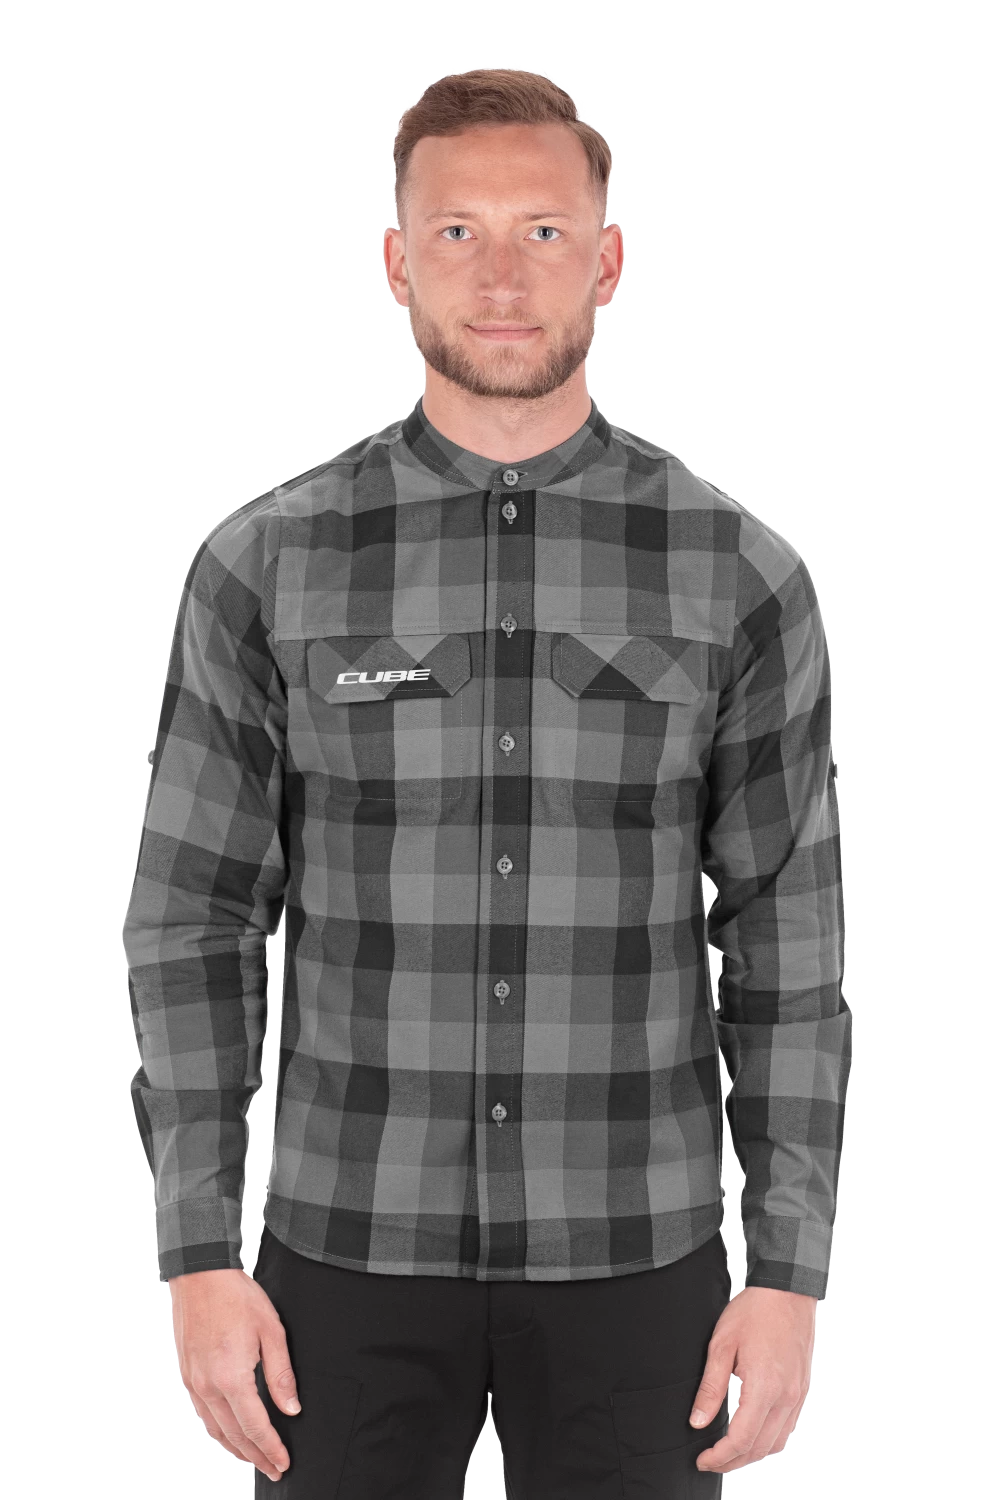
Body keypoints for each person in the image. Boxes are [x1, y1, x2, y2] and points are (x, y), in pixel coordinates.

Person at [122, 67, 851, 1498]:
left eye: (544, 232)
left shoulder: (739, 575)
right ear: (397, 262)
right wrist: (197, 1250)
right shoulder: (267, 565)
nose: (502, 277)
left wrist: (790, 1269)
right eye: (458, 233)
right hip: (342, 1256)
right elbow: (194, 920)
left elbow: (789, 941)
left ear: (609, 259)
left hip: (640, 1264)